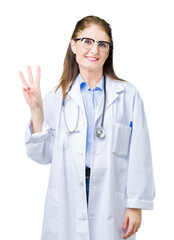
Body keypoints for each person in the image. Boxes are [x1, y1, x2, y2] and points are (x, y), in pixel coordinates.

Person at [19, 15, 155, 240]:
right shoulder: (57, 97)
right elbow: (42, 155)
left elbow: (140, 153)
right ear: (73, 45)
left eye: (103, 44)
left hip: (111, 194)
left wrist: (136, 204)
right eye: (87, 41)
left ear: (109, 51)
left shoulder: (127, 96)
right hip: (68, 192)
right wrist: (36, 109)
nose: (95, 50)